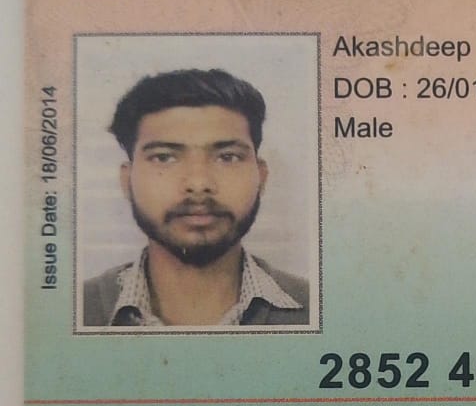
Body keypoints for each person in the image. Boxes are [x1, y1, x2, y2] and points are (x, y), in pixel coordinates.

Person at [83, 69, 309, 327]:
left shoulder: (323, 308)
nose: (198, 184)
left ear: (262, 177)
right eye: (164, 157)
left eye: (228, 157)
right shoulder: (67, 313)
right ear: (127, 181)